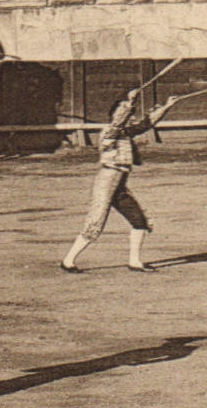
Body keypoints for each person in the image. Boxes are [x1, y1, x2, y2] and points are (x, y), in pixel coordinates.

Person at [61, 87, 185, 273]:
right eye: (127, 114)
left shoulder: (124, 133)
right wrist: (129, 100)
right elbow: (118, 121)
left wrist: (167, 106)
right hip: (106, 182)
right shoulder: (109, 131)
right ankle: (68, 261)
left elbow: (146, 123)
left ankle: (134, 261)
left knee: (139, 221)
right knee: (95, 223)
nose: (131, 118)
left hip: (119, 184)